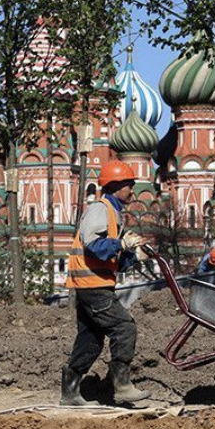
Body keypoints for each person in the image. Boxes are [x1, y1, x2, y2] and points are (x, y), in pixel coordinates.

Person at [61, 160, 150, 407]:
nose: (132, 191)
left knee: (90, 340)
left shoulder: (114, 214)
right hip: (93, 286)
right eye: (128, 186)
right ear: (114, 187)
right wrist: (121, 245)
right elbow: (93, 245)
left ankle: (69, 392)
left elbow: (113, 261)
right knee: (124, 327)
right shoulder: (100, 209)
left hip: (95, 284)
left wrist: (132, 255)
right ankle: (122, 386)